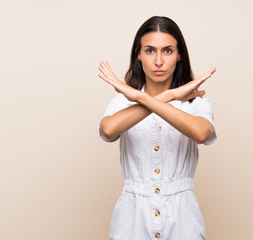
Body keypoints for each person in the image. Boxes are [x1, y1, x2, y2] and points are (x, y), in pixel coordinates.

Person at [98, 16, 217, 240]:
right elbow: (108, 130)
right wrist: (167, 96)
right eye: (150, 51)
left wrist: (151, 97)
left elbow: (202, 133)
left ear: (179, 55)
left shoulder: (196, 103)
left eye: (168, 51)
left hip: (182, 218)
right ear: (138, 54)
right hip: (132, 219)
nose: (159, 61)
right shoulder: (124, 102)